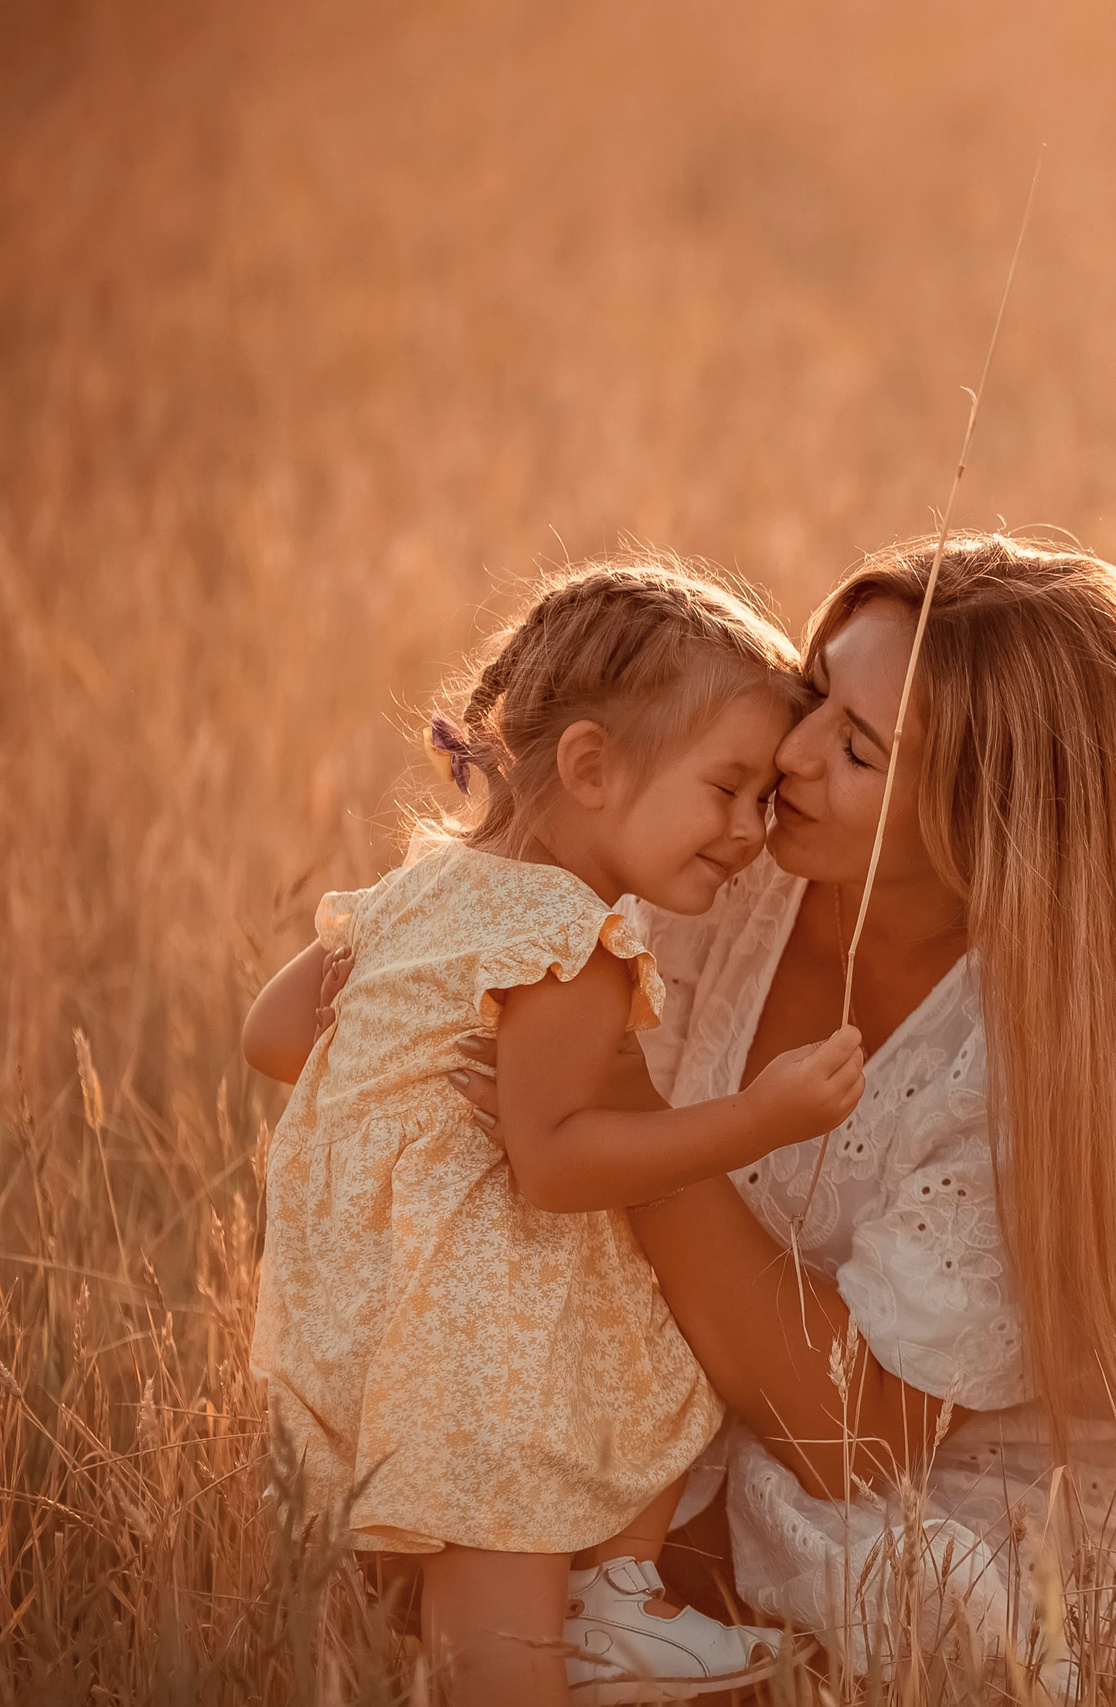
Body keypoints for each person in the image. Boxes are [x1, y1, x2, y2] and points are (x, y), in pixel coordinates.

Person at [438, 532, 1116, 1676]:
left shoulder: (1041, 1057)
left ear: (994, 814)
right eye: (812, 692)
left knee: (531, 1541)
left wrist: (627, 1120)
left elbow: (846, 1440)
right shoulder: (729, 861)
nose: (792, 753)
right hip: (681, 1415)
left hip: (930, 1502)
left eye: (857, 748)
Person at [241, 561, 869, 1705]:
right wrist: (758, 1118)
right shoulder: (572, 939)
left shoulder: (423, 890)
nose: (750, 829)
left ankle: (610, 1598)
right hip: (481, 1343)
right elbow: (554, 1164)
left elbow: (275, 1033)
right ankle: (590, 1615)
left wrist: (402, 1090)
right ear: (590, 769)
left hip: (377, 1286)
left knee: (637, 1373)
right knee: (498, 1641)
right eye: (727, 789)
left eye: (759, 800)